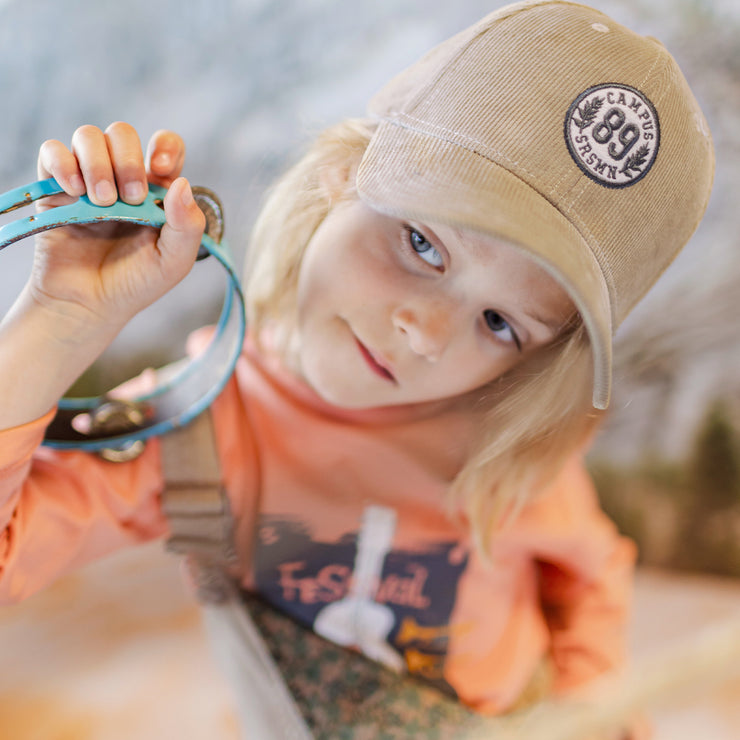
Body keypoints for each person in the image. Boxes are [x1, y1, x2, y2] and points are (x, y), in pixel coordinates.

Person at [0, 0, 713, 730]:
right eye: (422, 244)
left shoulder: (501, 446)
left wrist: (592, 705)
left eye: (500, 323)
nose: (427, 334)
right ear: (344, 172)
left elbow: (590, 574)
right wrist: (57, 321)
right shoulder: (200, 428)